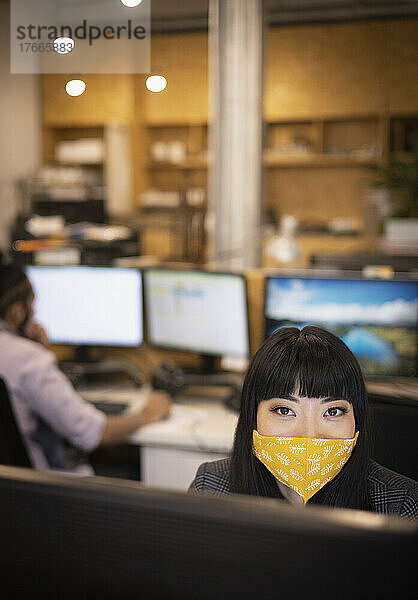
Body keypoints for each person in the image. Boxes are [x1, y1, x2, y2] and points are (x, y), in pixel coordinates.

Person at [189, 326, 418, 519]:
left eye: (333, 411)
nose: (309, 436)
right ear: (252, 415)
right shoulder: (211, 485)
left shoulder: (403, 506)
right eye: (284, 410)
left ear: (357, 418)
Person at [0, 261, 172, 475]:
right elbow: (93, 434)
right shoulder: (28, 359)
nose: (35, 316)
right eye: (32, 306)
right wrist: (147, 415)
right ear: (17, 312)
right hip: (48, 491)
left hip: (11, 491)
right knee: (138, 475)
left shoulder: (22, 355)